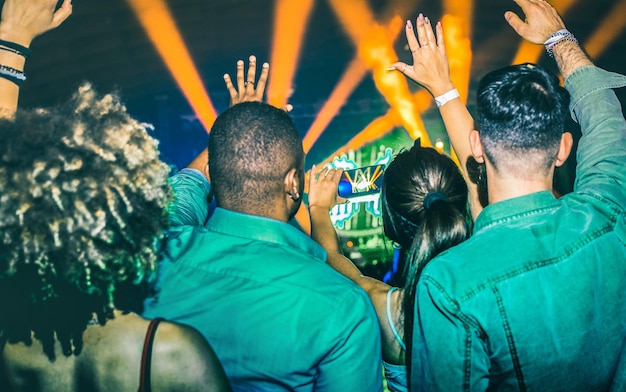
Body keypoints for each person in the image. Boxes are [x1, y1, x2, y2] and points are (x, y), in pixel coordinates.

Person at [0, 1, 231, 391]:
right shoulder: (170, 352)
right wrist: (232, 131)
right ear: (137, 226)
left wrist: (11, 41)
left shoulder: (10, 339)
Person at [404, 0, 626, 390]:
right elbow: (604, 113)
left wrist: (442, 88)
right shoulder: (609, 214)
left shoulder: (448, 284)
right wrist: (559, 37)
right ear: (563, 148)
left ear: (477, 144)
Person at [142, 56, 383, 391]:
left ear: (218, 171)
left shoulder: (156, 251)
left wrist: (233, 129)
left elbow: (188, 185)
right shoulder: (341, 306)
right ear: (293, 184)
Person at [308, 140, 469, 392]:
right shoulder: (491, 281)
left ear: (392, 226)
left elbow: (330, 258)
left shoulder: (390, 313)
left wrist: (318, 208)